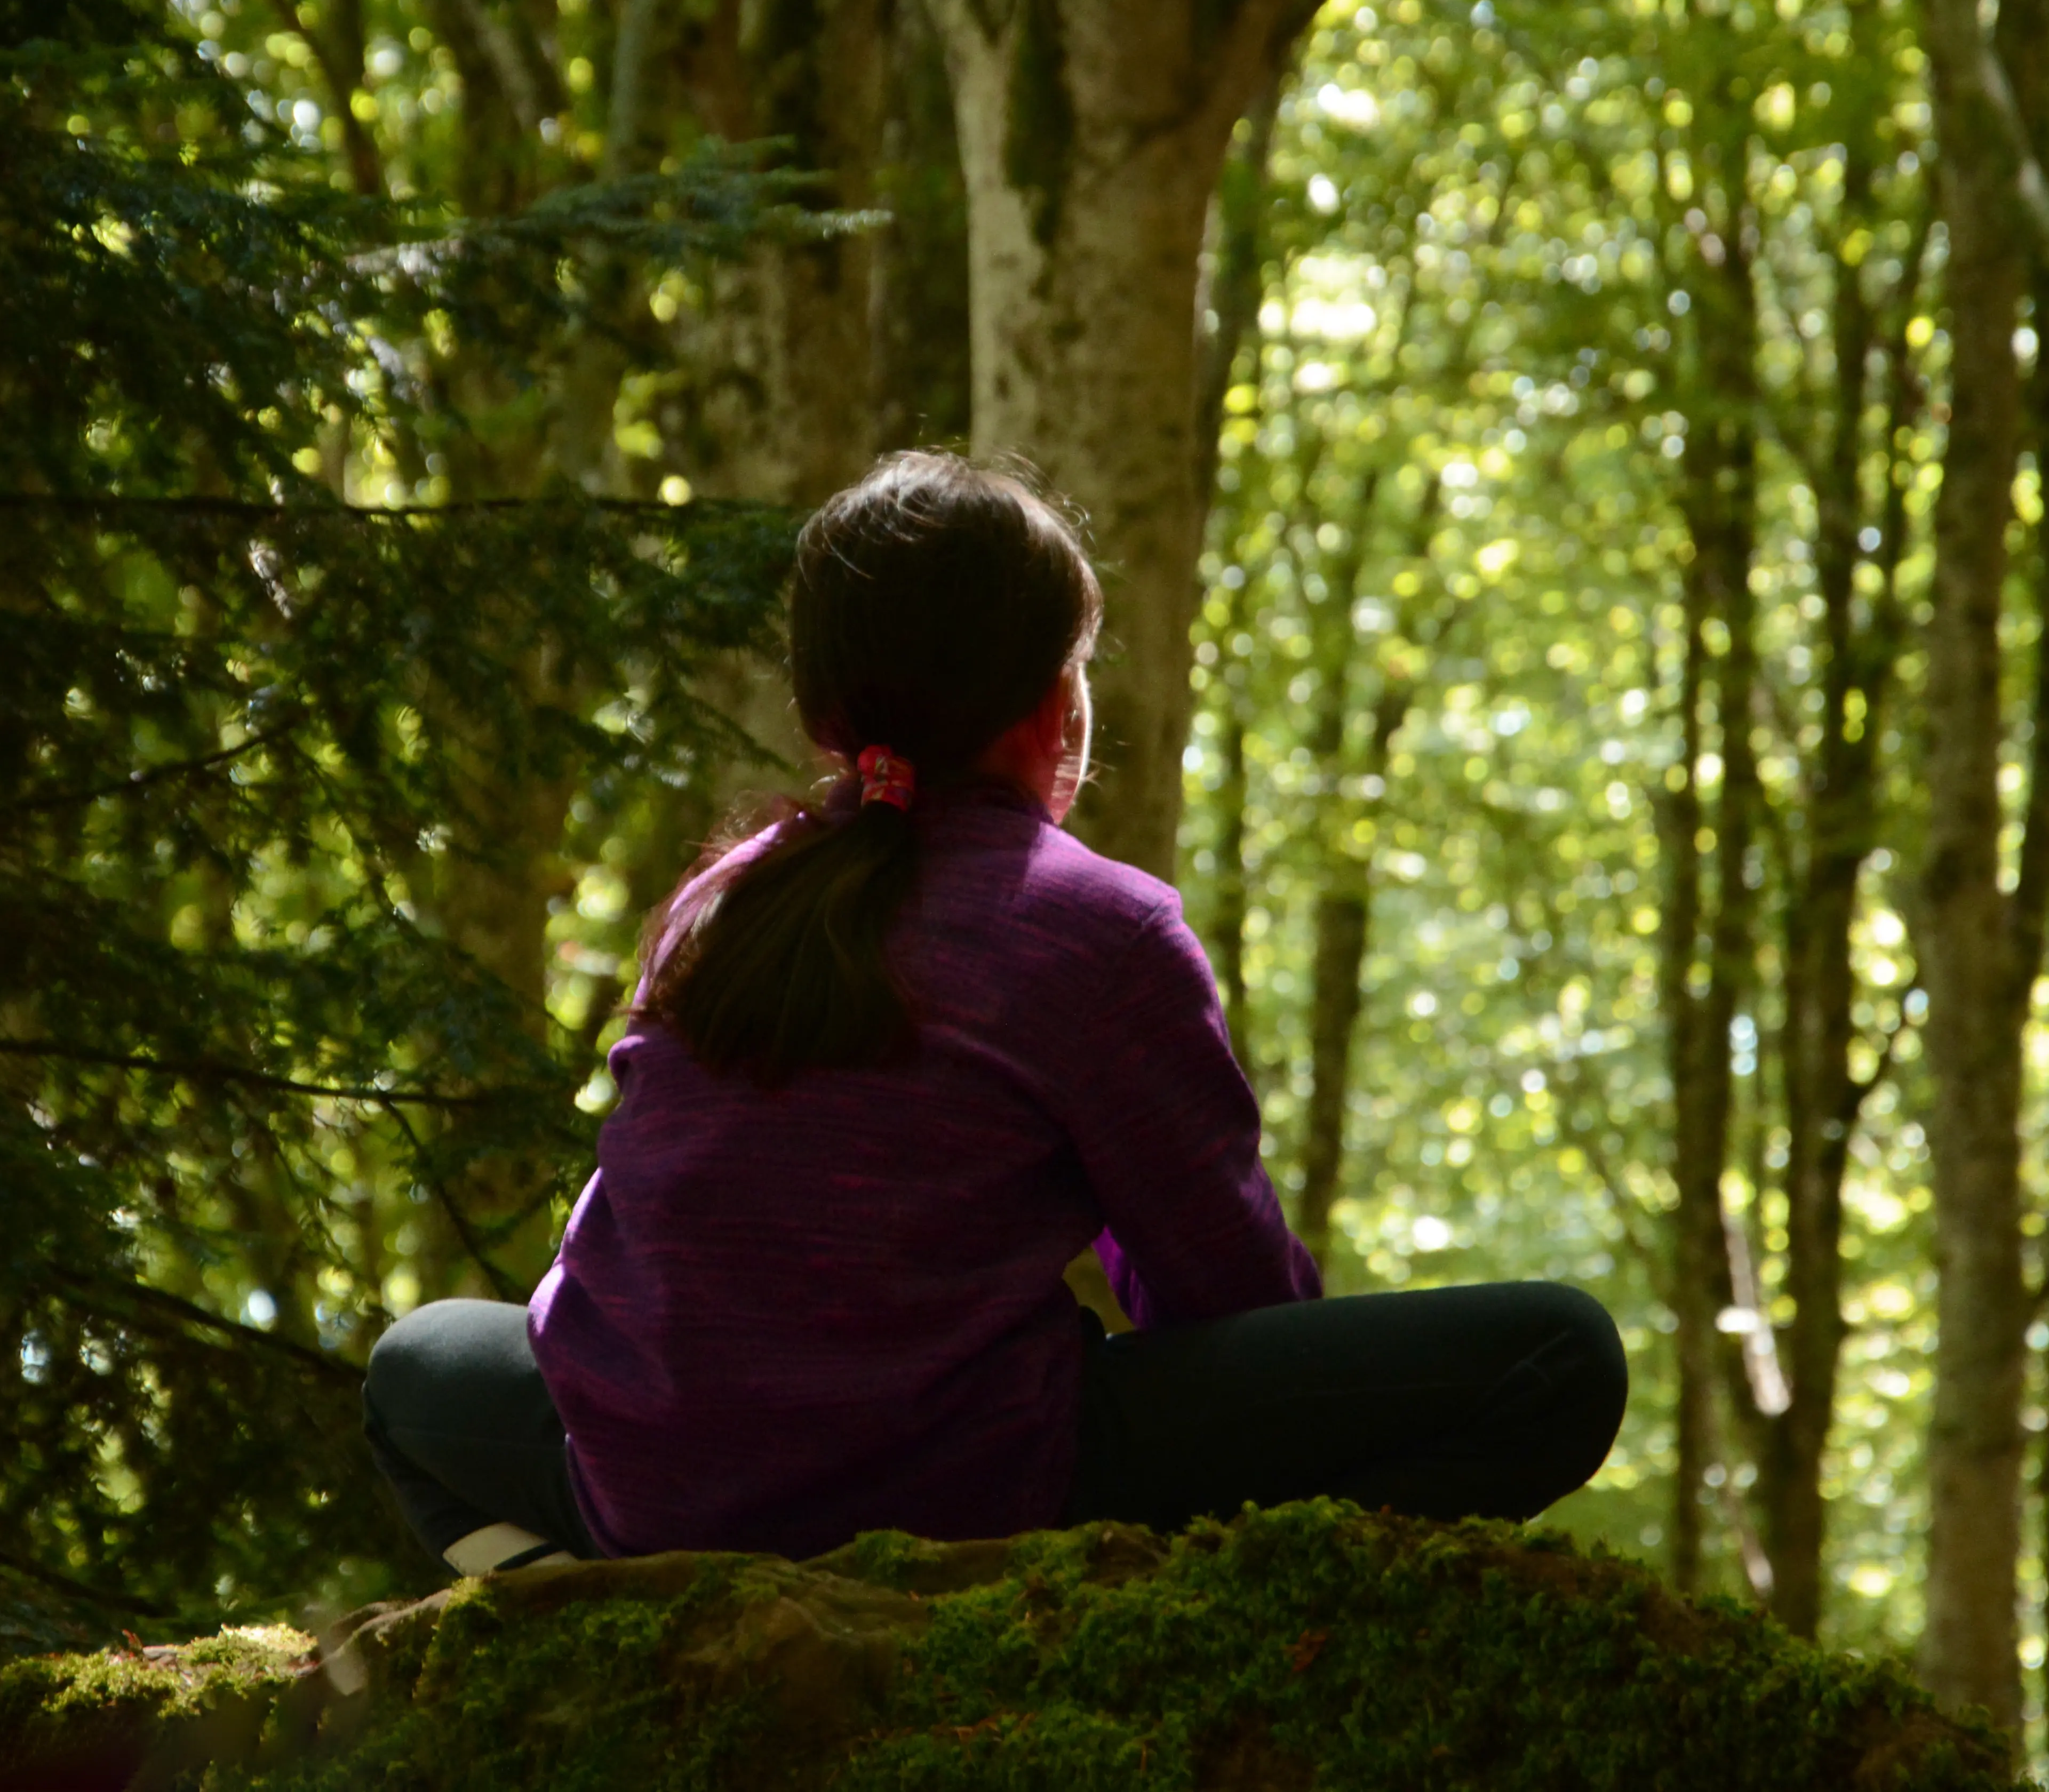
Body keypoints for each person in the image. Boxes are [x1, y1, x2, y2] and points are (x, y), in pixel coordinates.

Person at [363, 451, 1626, 1575]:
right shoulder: (1098, 925)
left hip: (653, 1496)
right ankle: (1196, 1612)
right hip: (964, 1497)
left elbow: (626, 1239)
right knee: (1561, 1355)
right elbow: (1225, 1292)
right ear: (1053, 699)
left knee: (414, 1366)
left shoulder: (721, 899)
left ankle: (586, 1608)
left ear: (827, 706)